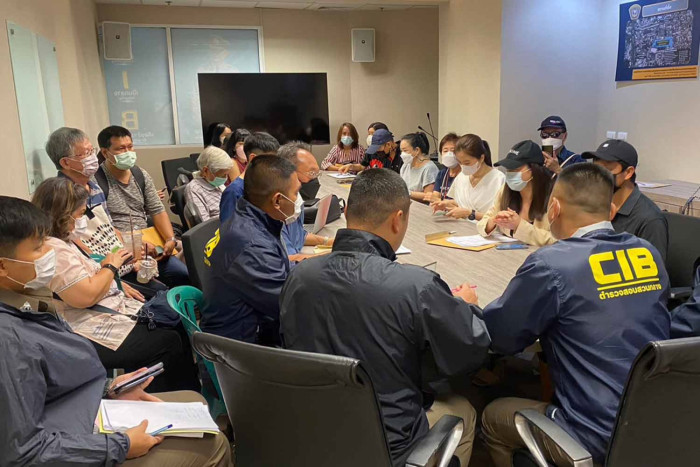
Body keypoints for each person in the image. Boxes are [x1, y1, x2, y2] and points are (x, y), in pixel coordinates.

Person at [280, 169, 490, 467]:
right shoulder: (416, 286)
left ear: (347, 213)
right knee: (463, 411)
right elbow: (468, 352)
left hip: (311, 433)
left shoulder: (299, 276)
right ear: (398, 219)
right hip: (390, 445)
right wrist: (467, 308)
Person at [0, 196, 231, 467]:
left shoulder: (25, 299)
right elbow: (23, 452)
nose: (49, 252)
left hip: (80, 408)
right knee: (213, 444)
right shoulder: (8, 339)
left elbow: (47, 384)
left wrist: (108, 388)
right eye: (39, 247)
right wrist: (121, 446)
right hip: (75, 439)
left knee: (193, 406)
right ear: (3, 266)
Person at [480, 163, 670, 467]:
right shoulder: (648, 252)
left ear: (554, 209)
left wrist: (472, 304)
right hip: (661, 422)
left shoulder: (551, 263)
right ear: (611, 210)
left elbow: (502, 337)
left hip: (593, 432)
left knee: (493, 415)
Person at [32, 177, 200, 393]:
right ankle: (165, 397)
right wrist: (111, 267)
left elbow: (90, 271)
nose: (82, 220)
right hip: (85, 325)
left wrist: (114, 282)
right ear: (63, 215)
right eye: (80, 214)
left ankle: (185, 393)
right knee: (169, 342)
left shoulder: (66, 240)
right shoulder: (55, 250)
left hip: (103, 306)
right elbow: (85, 296)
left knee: (175, 322)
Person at [45, 127, 166, 295]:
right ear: (66, 162)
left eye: (91, 150)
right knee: (160, 297)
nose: (92, 157)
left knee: (166, 286)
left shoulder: (94, 187)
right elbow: (73, 247)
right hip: (98, 272)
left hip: (118, 262)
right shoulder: (60, 196)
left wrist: (131, 251)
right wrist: (113, 280)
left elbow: (109, 228)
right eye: (86, 153)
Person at [202, 156, 299, 345]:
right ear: (277, 200)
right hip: (240, 348)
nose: (297, 199)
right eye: (296, 193)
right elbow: (289, 308)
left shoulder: (246, 218)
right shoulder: (252, 245)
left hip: (247, 328)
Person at [96, 126, 189, 287]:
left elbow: (157, 209)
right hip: (120, 249)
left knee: (183, 275)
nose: (128, 152)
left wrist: (170, 239)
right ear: (105, 152)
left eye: (130, 147)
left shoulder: (140, 175)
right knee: (156, 288)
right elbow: (101, 226)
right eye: (121, 149)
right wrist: (135, 244)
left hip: (149, 243)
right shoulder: (97, 181)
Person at [583, 139, 668, 262]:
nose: (598, 176)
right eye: (595, 169)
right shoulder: (594, 204)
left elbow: (654, 269)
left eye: (606, 169)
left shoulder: (650, 219)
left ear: (628, 172)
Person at [477, 140, 556, 246]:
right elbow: (482, 223)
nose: (510, 174)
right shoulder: (505, 190)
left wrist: (520, 226)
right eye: (508, 169)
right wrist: (494, 221)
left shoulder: (554, 196)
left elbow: (558, 241)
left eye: (516, 169)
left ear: (533, 170)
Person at [277, 141, 334, 260]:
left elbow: (299, 236)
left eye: (317, 174)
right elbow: (288, 260)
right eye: (311, 173)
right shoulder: (277, 209)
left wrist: (329, 241)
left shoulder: (296, 200)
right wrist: (336, 255)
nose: (314, 179)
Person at [431, 134, 505, 221]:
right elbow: (461, 203)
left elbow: (499, 218)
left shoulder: (498, 180)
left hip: (485, 228)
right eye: (460, 162)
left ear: (481, 158)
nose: (463, 166)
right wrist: (446, 204)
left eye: (467, 163)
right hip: (462, 226)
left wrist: (470, 214)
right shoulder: (461, 177)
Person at [219, 131, 280, 223]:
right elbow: (228, 228)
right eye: (270, 161)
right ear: (253, 158)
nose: (274, 166)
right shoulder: (234, 192)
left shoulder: (265, 185)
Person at [185, 146, 233, 222]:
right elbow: (205, 224)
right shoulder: (194, 189)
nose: (225, 178)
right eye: (222, 175)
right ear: (206, 171)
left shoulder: (217, 184)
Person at [398, 132, 438, 202]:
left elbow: (429, 196)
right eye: (401, 151)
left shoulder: (429, 168)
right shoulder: (405, 166)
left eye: (405, 150)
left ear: (417, 150)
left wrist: (408, 193)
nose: (402, 154)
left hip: (421, 207)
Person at [427, 132, 460, 202]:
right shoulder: (442, 173)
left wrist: (439, 201)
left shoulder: (465, 175)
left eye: (453, 151)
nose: (449, 154)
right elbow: (435, 196)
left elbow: (460, 202)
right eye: (445, 151)